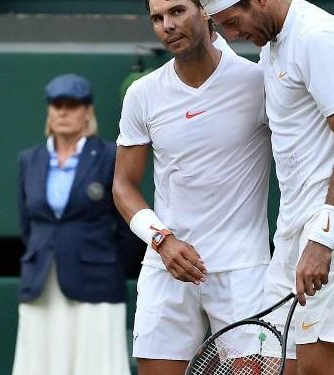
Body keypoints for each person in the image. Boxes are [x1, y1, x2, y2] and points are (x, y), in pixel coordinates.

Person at [204, 0, 334, 374]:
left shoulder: (315, 37)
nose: (233, 35)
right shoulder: (271, 45)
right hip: (294, 231)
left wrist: (322, 241)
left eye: (233, 22)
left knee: (317, 370)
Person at [111, 0, 272, 374]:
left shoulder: (257, 82)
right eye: (157, 18)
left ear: (206, 10)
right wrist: (162, 240)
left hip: (243, 271)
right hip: (166, 265)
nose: (167, 25)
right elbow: (122, 186)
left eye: (177, 11)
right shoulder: (143, 94)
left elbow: (309, 142)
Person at [12, 73, 134, 375]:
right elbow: (27, 225)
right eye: (57, 105)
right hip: (41, 283)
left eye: (73, 104)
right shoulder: (30, 160)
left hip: (97, 282)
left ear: (87, 111)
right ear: (49, 111)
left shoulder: (109, 156)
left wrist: (106, 263)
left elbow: (128, 225)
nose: (63, 112)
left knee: (97, 366)